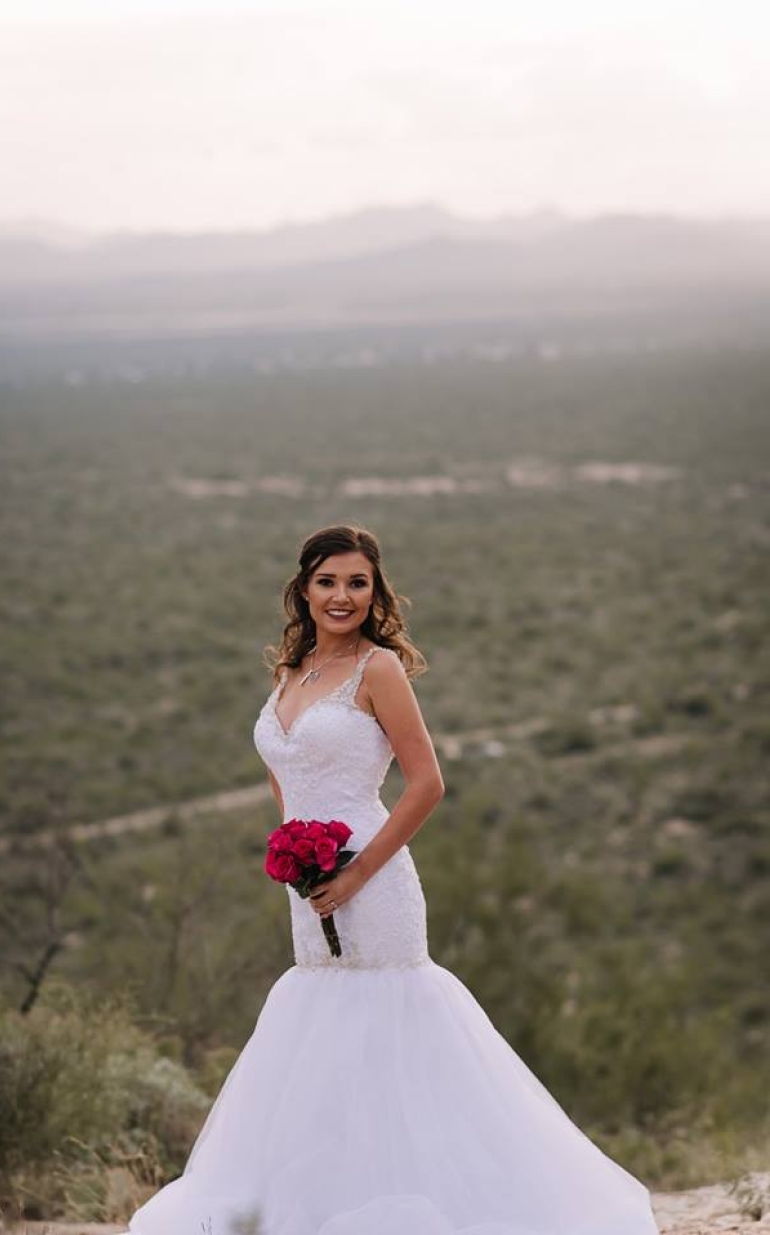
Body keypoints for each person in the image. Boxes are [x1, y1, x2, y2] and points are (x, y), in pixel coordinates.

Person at [125, 523, 660, 1235]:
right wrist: (294, 851)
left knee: (385, 1024)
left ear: (375, 591)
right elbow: (285, 770)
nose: (341, 596)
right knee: (319, 1030)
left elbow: (427, 783)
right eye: (327, 581)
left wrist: (353, 873)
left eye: (357, 582)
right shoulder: (289, 670)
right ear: (303, 588)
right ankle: (320, 1205)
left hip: (373, 883)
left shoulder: (377, 670)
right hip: (309, 885)